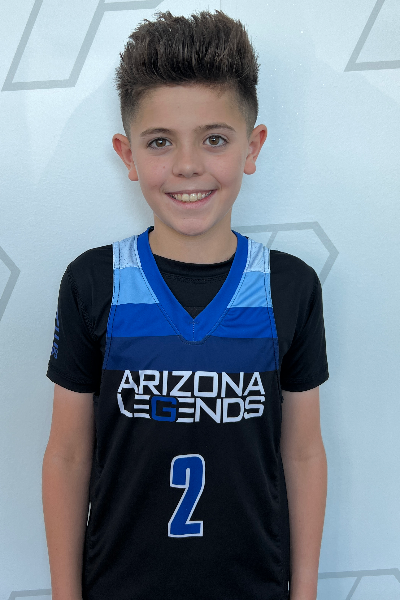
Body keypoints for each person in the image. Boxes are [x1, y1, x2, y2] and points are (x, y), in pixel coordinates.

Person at [42, 9, 329, 600]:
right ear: (128, 155)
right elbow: (68, 455)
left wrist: (305, 591)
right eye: (160, 142)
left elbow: (302, 453)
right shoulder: (93, 283)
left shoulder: (290, 287)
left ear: (252, 147)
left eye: (214, 139)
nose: (188, 165)